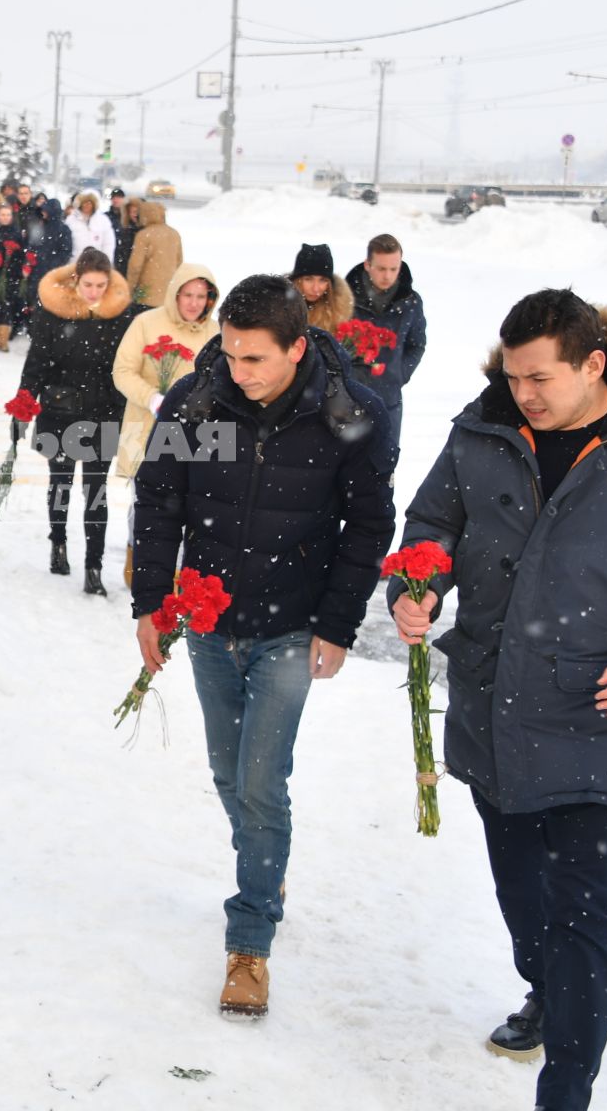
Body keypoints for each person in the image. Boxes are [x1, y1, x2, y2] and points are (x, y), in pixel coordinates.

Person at [390, 289, 607, 1111]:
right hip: (492, 705)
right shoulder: (482, 432)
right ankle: (545, 988)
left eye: (542, 378)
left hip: (598, 715)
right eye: (515, 378)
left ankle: (569, 1087)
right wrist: (421, 582)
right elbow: (432, 522)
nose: (527, 395)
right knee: (524, 898)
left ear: (595, 364)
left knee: (582, 907)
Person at [130, 274, 393, 1020]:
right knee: (227, 769)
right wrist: (152, 603)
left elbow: (369, 525)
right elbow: (160, 501)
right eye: (232, 355)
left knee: (259, 778)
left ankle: (250, 942)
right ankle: (264, 862)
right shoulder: (196, 399)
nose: (239, 374)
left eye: (256, 361)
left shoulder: (350, 413)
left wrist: (339, 623)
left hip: (292, 623)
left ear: (297, 347)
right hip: (209, 621)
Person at [19, 249, 140, 594]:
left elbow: (126, 365)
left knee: (96, 490)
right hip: (61, 410)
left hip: (103, 411)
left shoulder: (120, 315)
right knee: (60, 483)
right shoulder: (54, 313)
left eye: (101, 285)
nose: (95, 292)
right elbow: (37, 362)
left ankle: (94, 565)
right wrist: (23, 405)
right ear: (76, 280)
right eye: (88, 284)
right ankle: (58, 544)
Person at [111, 263, 220, 483]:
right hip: (146, 429)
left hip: (196, 432)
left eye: (200, 296)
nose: (193, 303)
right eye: (187, 294)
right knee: (145, 504)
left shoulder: (216, 332)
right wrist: (152, 398)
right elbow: (123, 371)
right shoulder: (146, 323)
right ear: (175, 294)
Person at [342, 233, 427, 455]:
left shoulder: (410, 302)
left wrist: (399, 373)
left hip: (388, 400)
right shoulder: (344, 298)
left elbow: (416, 344)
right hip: (348, 398)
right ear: (367, 265)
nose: (387, 276)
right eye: (381, 268)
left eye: (393, 268)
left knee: (383, 463)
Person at [126, 199, 186, 308]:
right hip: (169, 295)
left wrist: (130, 289)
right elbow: (179, 263)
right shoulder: (174, 234)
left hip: (146, 294)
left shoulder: (143, 235)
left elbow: (135, 266)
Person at [0, 200, 28, 352]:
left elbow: (21, 253)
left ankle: (4, 340)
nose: (5, 217)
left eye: (8, 215)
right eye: (2, 214)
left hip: (12, 274)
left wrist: (16, 262)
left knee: (8, 306)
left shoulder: (16, 232)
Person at [289, 242, 351, 334]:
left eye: (323, 280)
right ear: (298, 280)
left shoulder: (341, 316)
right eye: (308, 279)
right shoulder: (279, 309)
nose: (316, 288)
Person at [30, 197, 76, 283]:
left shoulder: (63, 229)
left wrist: (51, 265)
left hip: (52, 272)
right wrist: (31, 258)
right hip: (36, 271)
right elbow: (32, 245)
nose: (43, 212)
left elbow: (65, 251)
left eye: (45, 210)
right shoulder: (40, 226)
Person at [67, 190, 116, 261]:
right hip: (75, 262)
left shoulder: (103, 220)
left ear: (94, 205)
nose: (87, 205)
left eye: (90, 203)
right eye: (84, 202)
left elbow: (108, 244)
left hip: (97, 264)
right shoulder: (71, 220)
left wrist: (106, 261)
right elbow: (66, 244)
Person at [112, 196, 142, 278]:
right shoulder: (124, 230)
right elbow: (119, 252)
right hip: (125, 272)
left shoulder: (146, 231)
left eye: (137, 211)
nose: (135, 214)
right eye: (132, 212)